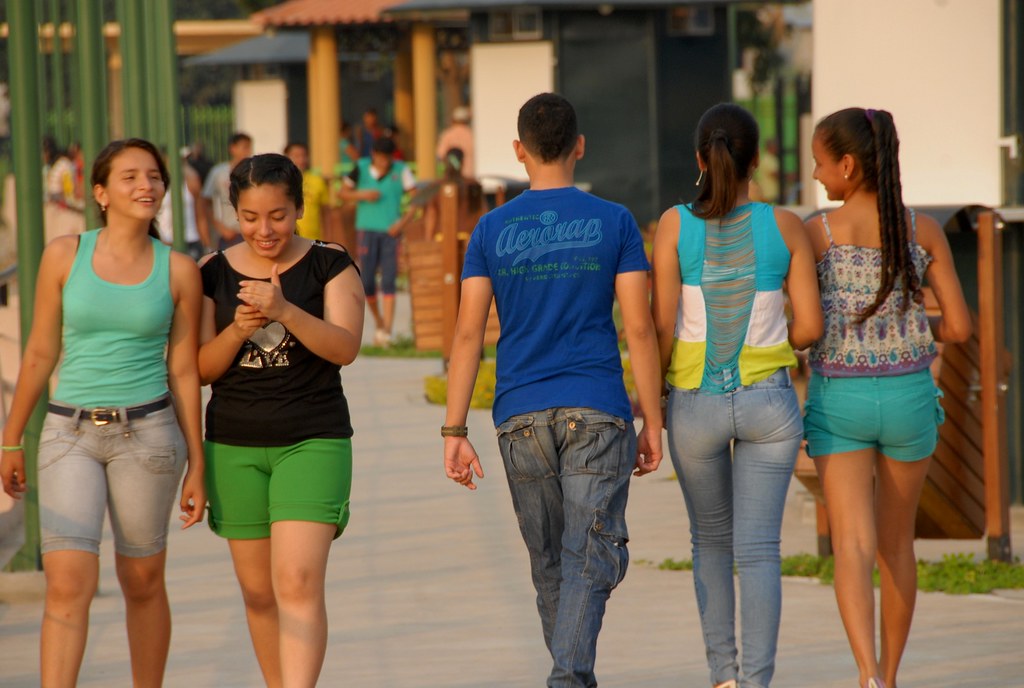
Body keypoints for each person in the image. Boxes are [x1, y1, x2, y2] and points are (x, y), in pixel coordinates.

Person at [443, 92, 664, 688]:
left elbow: (468, 334)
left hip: (518, 416)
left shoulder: (490, 229)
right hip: (597, 409)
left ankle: (569, 677)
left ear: (519, 151)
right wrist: (655, 420)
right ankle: (568, 677)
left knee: (551, 564)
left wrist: (455, 429)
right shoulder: (615, 221)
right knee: (588, 555)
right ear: (580, 146)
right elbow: (638, 327)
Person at [0, 138, 205, 687]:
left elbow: (184, 372)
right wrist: (10, 438)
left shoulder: (180, 270)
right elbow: (40, 352)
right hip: (68, 434)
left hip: (151, 436)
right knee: (68, 582)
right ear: (100, 193)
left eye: (155, 177)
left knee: (142, 580)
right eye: (131, 177)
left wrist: (198, 466)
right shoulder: (65, 255)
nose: (147, 186)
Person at [650, 103, 822, 688]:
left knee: (711, 545)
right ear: (757, 162)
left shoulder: (674, 225)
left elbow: (660, 326)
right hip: (769, 403)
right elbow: (810, 328)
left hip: (693, 402)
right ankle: (756, 683)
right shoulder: (787, 225)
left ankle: (722, 677)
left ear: (701, 159)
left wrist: (651, 404)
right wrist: (779, 338)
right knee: (759, 552)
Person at [804, 108, 971, 688]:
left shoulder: (816, 233)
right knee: (897, 545)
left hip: (838, 402)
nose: (818, 175)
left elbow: (800, 318)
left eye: (821, 163)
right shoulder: (920, 231)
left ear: (847, 165)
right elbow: (960, 327)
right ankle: (894, 677)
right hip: (908, 400)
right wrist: (912, 329)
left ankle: (867, 675)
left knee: (852, 543)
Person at [197, 153, 364, 687]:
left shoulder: (329, 263)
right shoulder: (212, 272)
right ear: (234, 212)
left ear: (298, 209)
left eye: (277, 215)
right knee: (259, 593)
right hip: (234, 446)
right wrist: (240, 327)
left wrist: (286, 310)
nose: (264, 229)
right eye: (250, 216)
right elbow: (200, 367)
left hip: (312, 439)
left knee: (295, 581)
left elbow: (345, 348)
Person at [339, 136, 417, 347]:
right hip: (366, 230)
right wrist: (363, 194)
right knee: (367, 282)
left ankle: (388, 330)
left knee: (389, 279)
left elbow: (415, 200)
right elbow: (342, 192)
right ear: (374, 155)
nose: (385, 162)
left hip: (391, 232)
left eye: (388, 158)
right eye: (382, 158)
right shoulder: (361, 167)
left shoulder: (401, 170)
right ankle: (380, 321)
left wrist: (402, 223)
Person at [157, 148, 211, 260]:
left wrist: (207, 245)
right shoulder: (157, 183)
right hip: (165, 240)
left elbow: (201, 216)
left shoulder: (190, 180)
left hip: (190, 239)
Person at [202, 132, 253, 250]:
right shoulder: (219, 172)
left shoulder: (254, 172)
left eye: (249, 147)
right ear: (232, 148)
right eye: (244, 147)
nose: (248, 151)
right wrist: (220, 227)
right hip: (229, 233)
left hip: (250, 231)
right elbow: (205, 203)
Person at [284, 141, 331, 242]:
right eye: (296, 156)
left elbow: (326, 213)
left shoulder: (318, 181)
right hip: (289, 240)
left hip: (314, 240)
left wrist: (328, 238)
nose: (301, 159)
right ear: (286, 157)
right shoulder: (280, 183)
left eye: (304, 155)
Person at [436, 105, 475, 179]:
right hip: (471, 175)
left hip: (453, 178)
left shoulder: (448, 134)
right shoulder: (472, 134)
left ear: (453, 120)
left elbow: (440, 155)